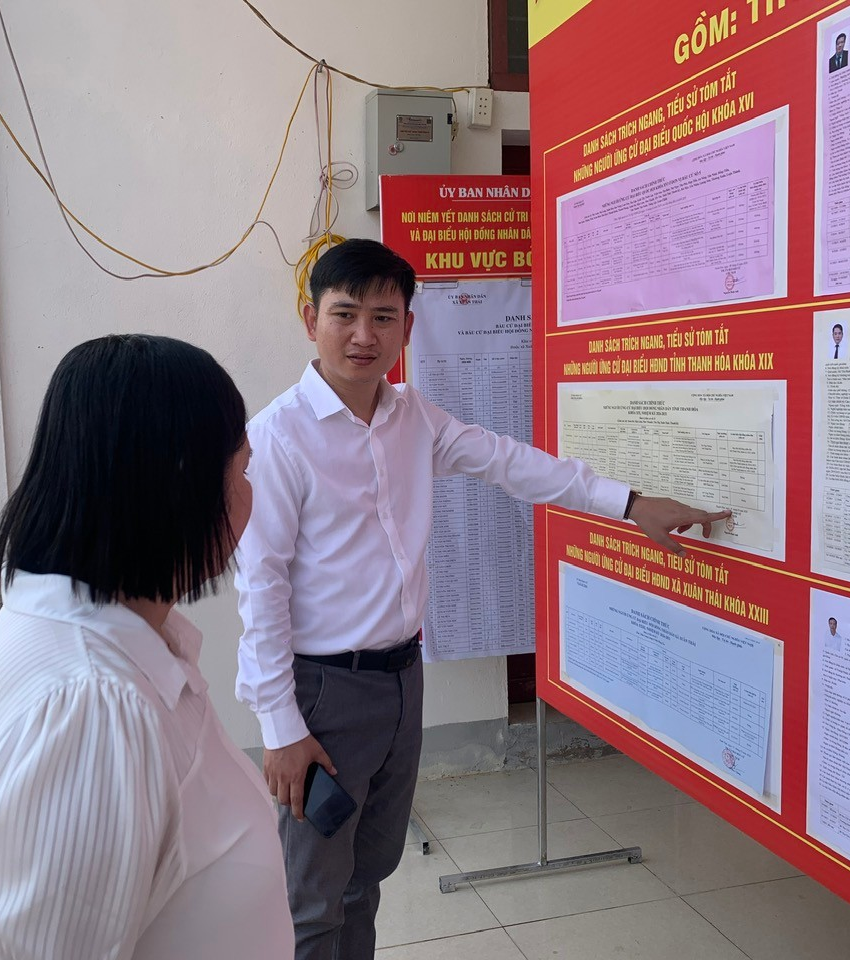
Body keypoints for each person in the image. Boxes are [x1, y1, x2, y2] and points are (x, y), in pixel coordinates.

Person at [235, 239, 730, 959]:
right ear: (311, 320)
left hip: (402, 680)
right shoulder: (278, 437)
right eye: (345, 314)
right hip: (322, 692)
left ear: (408, 326)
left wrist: (629, 503)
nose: (364, 335)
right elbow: (261, 588)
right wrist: (280, 728)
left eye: (384, 316)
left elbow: (508, 462)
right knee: (312, 899)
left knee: (367, 876)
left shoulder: (411, 416)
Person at [0, 335, 293, 960]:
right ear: (181, 484)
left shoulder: (85, 645)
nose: (252, 494)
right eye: (243, 470)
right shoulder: (92, 711)